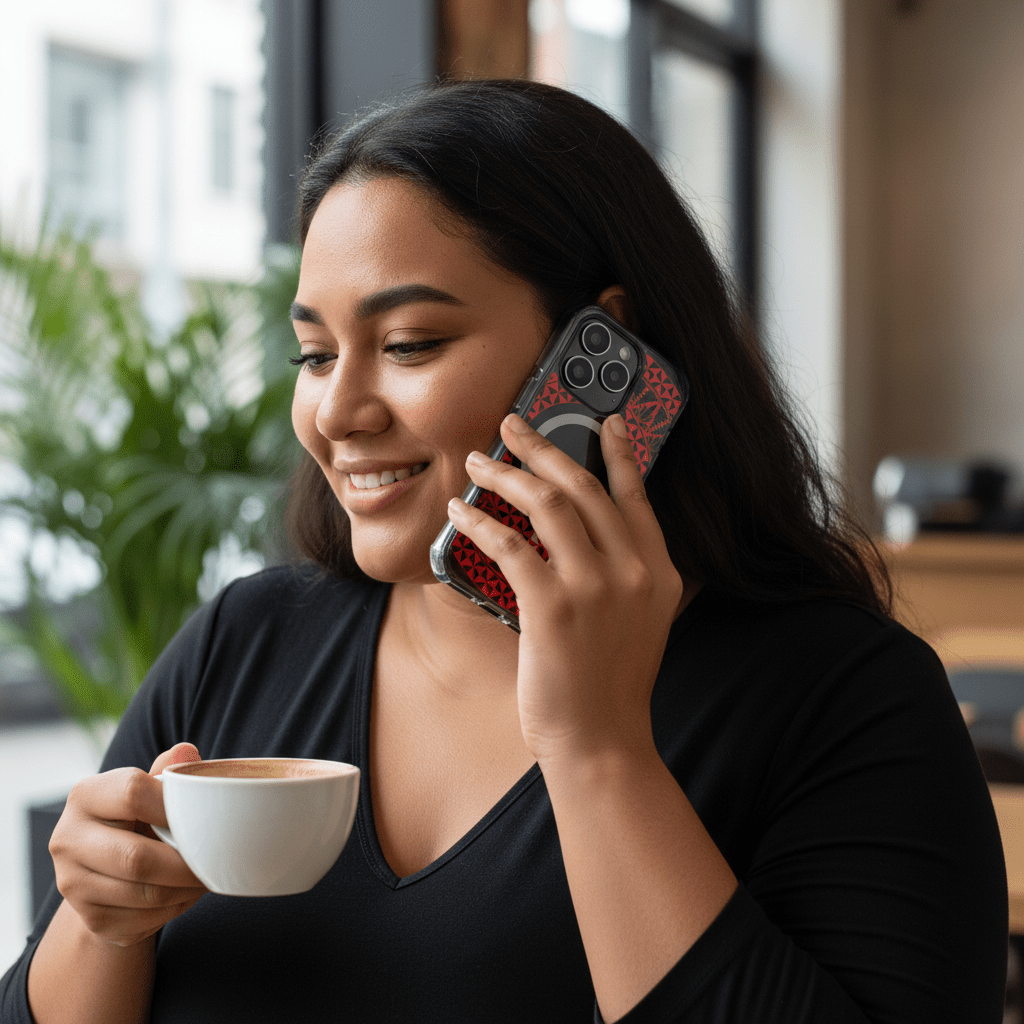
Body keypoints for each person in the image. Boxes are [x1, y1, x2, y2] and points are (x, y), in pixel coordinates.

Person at [1, 79, 1007, 1023]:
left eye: (408, 345)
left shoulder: (841, 697)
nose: (337, 410)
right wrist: (99, 922)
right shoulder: (245, 640)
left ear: (599, 353)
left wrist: (598, 747)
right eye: (313, 354)